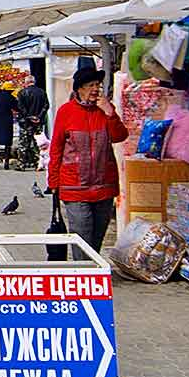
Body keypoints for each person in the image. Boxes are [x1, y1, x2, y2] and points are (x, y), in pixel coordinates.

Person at [49, 67, 128, 260]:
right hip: (74, 186)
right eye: (91, 85)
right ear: (79, 89)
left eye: (98, 85)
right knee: (81, 233)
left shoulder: (105, 110)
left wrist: (110, 112)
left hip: (104, 185)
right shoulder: (66, 112)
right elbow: (56, 147)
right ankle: (81, 274)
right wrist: (53, 182)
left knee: (97, 236)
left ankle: (91, 272)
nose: (95, 89)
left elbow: (120, 136)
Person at [16, 76, 50, 171]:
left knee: (23, 144)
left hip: (26, 123)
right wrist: (38, 117)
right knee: (39, 144)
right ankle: (38, 164)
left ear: (26, 83)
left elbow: (20, 107)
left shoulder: (22, 93)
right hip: (38, 123)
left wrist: (29, 117)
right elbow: (46, 105)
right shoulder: (42, 92)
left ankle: (21, 165)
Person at [0, 82, 18, 170]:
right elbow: (17, 107)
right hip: (7, 122)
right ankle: (6, 164)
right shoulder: (11, 98)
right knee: (7, 143)